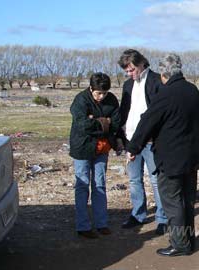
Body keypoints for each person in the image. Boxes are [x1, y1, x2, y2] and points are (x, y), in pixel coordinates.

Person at [126, 53, 199, 256]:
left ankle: (179, 244)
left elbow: (147, 122)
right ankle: (189, 240)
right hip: (191, 155)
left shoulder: (167, 93)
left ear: (163, 72)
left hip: (171, 158)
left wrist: (133, 148)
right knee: (187, 200)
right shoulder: (193, 90)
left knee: (172, 201)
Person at [117, 49, 168, 235]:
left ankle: (163, 218)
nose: (129, 74)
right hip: (131, 140)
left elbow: (159, 114)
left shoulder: (156, 81)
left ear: (141, 64)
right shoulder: (127, 85)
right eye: (126, 71)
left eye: (131, 70)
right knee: (134, 180)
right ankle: (138, 214)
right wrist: (120, 137)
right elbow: (125, 111)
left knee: (156, 180)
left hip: (151, 141)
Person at [69, 72, 120, 239]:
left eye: (104, 93)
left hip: (101, 149)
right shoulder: (80, 100)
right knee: (82, 185)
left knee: (100, 184)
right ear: (91, 88)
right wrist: (104, 122)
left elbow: (117, 122)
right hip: (82, 148)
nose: (101, 96)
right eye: (98, 93)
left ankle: (101, 224)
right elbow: (82, 124)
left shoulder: (111, 100)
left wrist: (96, 121)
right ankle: (83, 226)